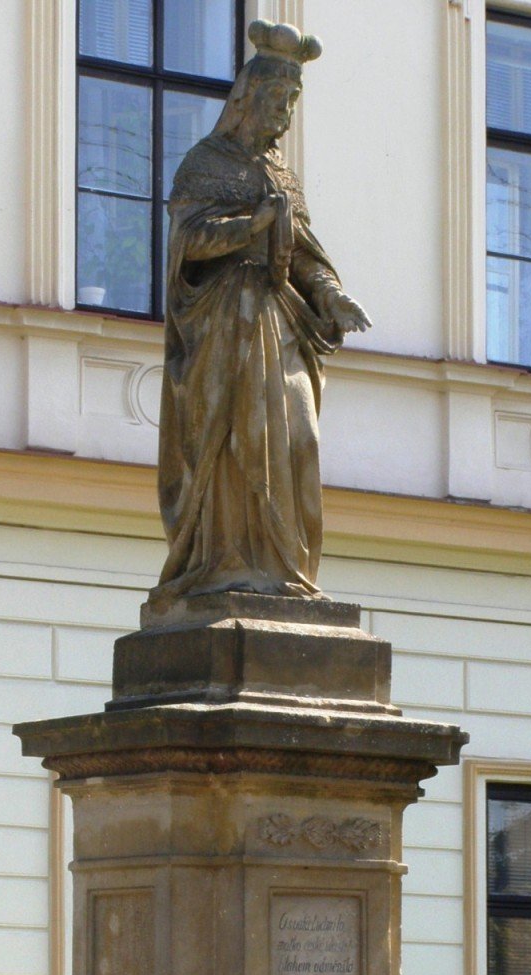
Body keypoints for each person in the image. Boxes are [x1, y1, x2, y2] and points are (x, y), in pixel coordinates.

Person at [154, 20, 370, 603]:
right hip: (225, 327)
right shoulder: (204, 163)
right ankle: (227, 565)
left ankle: (284, 571)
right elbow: (186, 242)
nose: (285, 113)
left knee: (297, 439)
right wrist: (251, 227)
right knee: (236, 444)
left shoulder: (283, 177)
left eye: (293, 102)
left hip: (280, 322)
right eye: (278, 99)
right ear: (248, 98)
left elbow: (303, 254)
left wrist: (329, 294)